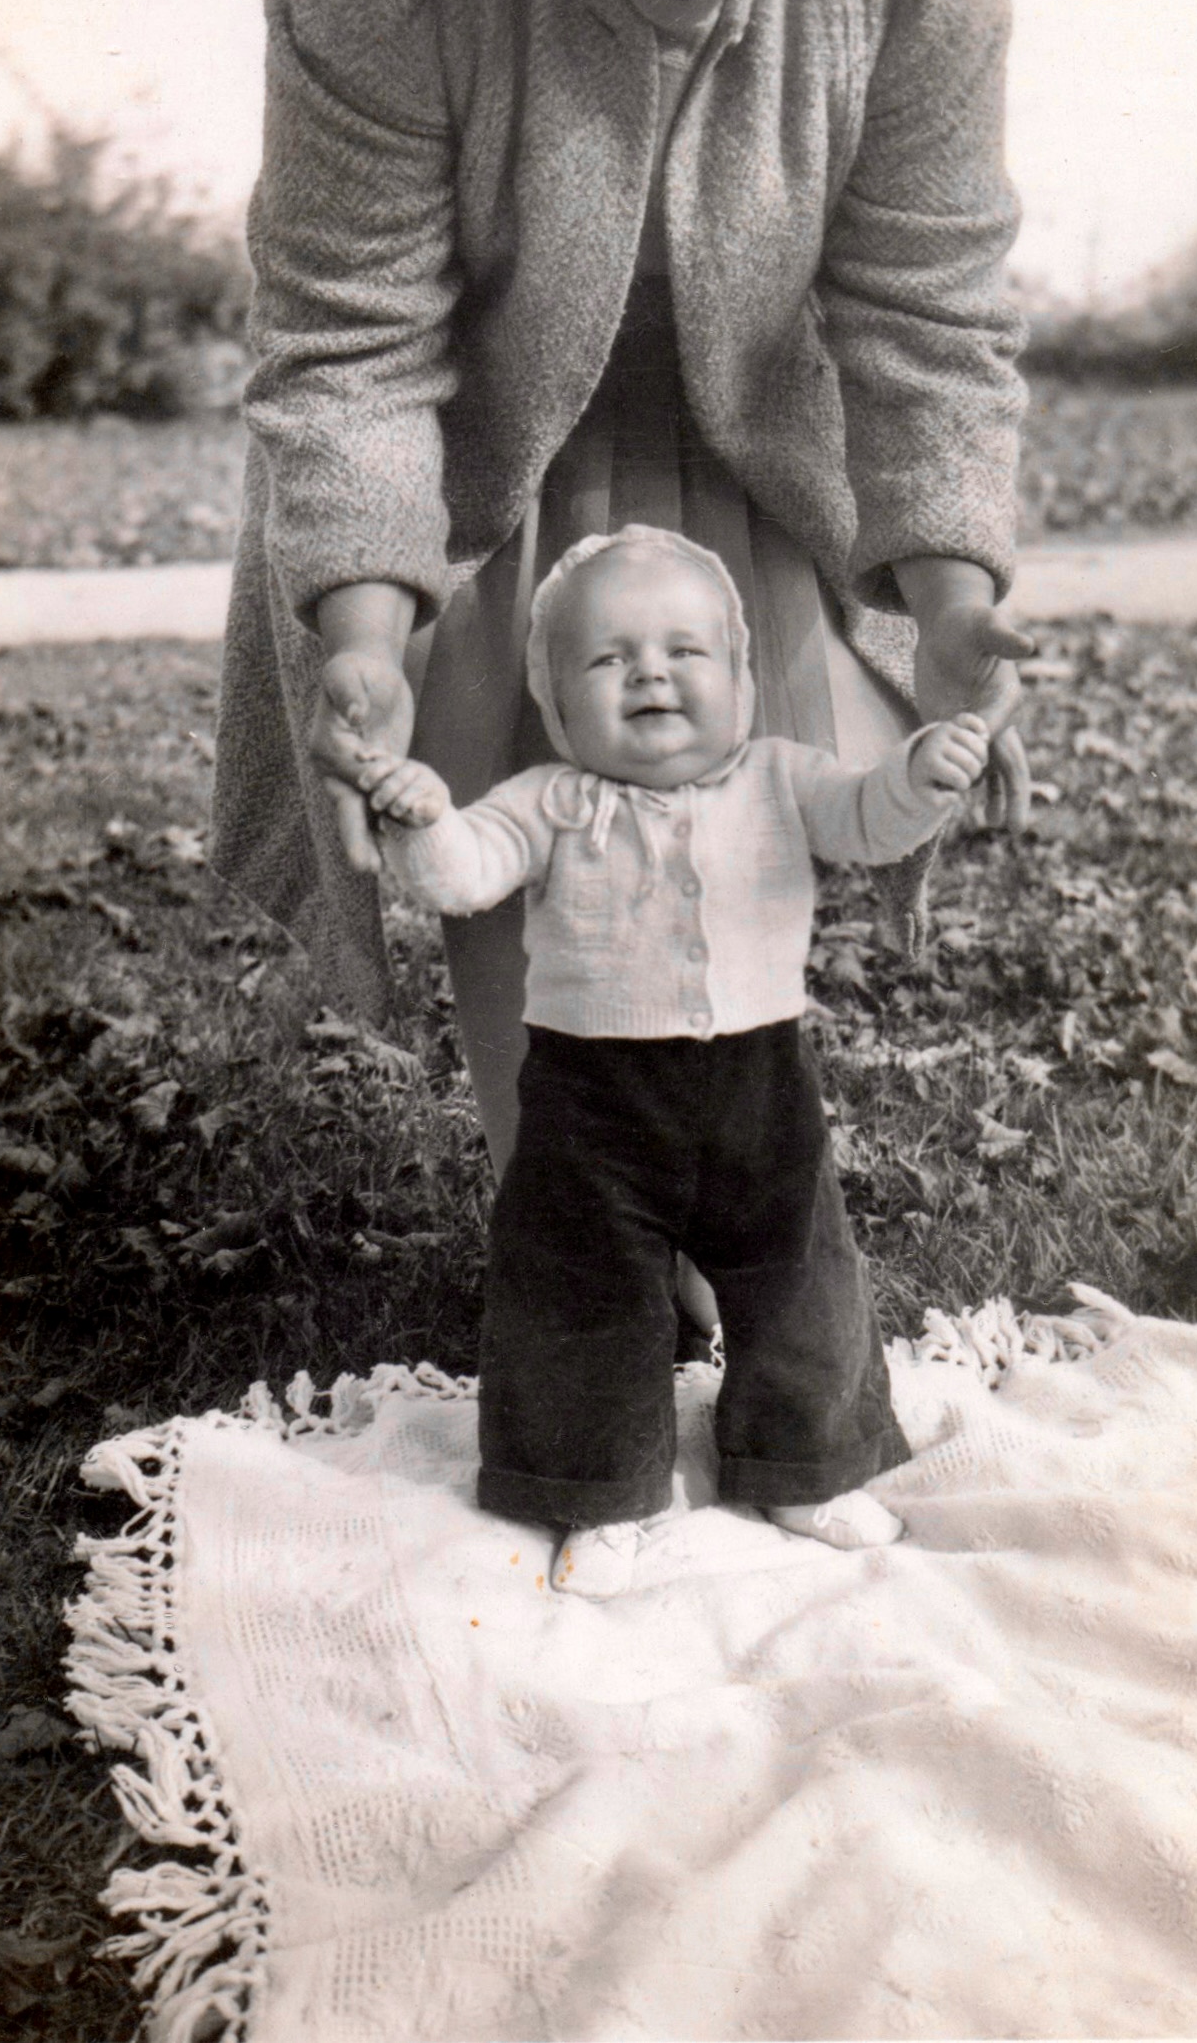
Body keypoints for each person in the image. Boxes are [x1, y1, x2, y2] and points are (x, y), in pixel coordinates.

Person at [210, 0, 1033, 1284]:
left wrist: (952, 598)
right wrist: (363, 630)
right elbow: (350, 333)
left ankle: (736, 1239)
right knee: (523, 847)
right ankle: (577, 1255)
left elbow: (924, 300)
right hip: (477, 457)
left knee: (723, 844)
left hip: (744, 445)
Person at [354, 525, 991, 1595]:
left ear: (742, 678)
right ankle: (604, 1488)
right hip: (589, 1101)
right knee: (579, 1291)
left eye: (686, 651)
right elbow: (463, 874)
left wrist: (920, 776)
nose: (650, 672)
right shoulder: (549, 800)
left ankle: (803, 1462)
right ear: (557, 704)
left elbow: (869, 819)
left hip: (758, 1085)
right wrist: (422, 820)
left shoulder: (784, 779)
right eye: (608, 660)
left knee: (799, 1275)